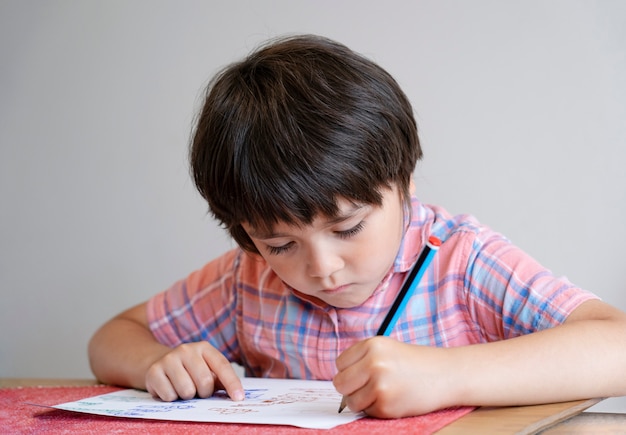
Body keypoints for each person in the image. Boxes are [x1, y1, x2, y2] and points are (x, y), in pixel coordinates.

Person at [88, 34, 626, 418]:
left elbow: (617, 346)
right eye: (281, 244)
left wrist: (447, 376)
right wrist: (159, 364)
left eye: (347, 228)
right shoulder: (246, 279)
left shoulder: (461, 263)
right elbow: (111, 340)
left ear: (404, 182)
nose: (321, 267)